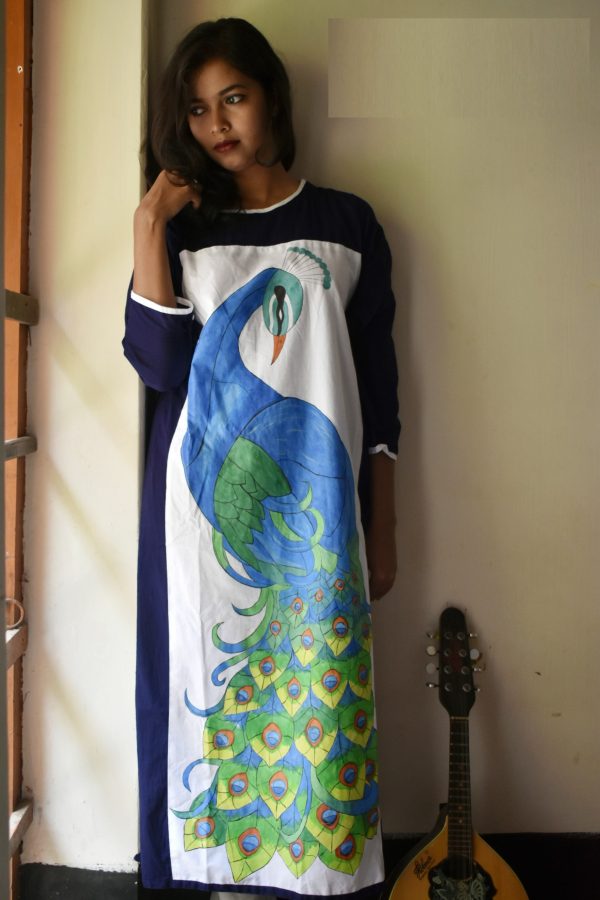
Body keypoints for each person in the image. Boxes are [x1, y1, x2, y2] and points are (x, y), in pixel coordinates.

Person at [123, 17, 400, 899]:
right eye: (198, 109)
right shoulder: (186, 231)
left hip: (320, 518)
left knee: (323, 690)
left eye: (233, 98)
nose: (217, 124)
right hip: (195, 519)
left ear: (271, 99)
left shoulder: (348, 224)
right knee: (189, 694)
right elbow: (159, 367)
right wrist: (148, 223)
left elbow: (379, 391)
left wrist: (383, 525)